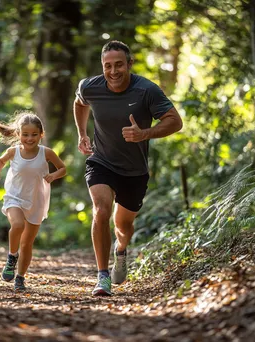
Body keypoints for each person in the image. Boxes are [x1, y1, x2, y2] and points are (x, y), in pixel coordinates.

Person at [73, 40, 183, 296]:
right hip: (101, 161)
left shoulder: (146, 90)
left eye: (119, 65)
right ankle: (102, 277)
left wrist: (144, 133)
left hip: (134, 171)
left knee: (123, 227)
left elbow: (175, 122)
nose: (113, 71)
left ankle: (120, 251)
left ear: (129, 64)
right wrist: (82, 134)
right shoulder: (90, 87)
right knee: (101, 210)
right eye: (107, 66)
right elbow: (80, 103)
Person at [0, 110, 66, 291]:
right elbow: (0, 161)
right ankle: (12, 256)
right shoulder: (13, 151)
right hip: (14, 196)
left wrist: (53, 175)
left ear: (41, 134)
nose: (30, 139)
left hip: (37, 200)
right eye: (26, 135)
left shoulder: (47, 153)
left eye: (34, 135)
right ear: (18, 134)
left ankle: (20, 278)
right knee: (18, 225)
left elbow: (63, 168)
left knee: (27, 243)